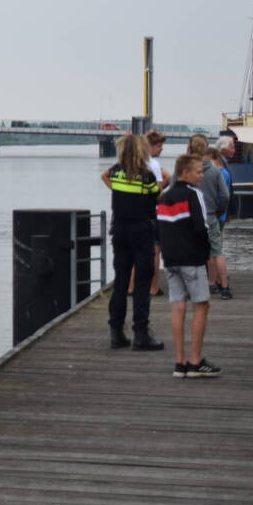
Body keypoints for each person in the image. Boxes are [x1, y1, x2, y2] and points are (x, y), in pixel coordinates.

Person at [158, 153, 219, 377]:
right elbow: (201, 228)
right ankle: (195, 361)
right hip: (192, 259)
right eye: (198, 171)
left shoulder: (164, 197)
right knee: (201, 305)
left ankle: (179, 362)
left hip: (171, 260)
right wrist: (207, 256)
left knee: (178, 307)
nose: (201, 176)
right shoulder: (194, 195)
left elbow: (161, 230)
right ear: (185, 172)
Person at [101, 134, 164, 350]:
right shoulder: (146, 176)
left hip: (119, 230)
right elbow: (158, 195)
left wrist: (118, 191)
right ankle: (141, 334)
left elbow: (105, 176)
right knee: (142, 283)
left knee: (121, 281)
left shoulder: (115, 171)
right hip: (141, 231)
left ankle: (116, 332)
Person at [187, 135, 231, 299]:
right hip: (211, 215)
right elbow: (225, 195)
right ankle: (224, 288)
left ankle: (192, 287)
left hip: (190, 217)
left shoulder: (185, 170)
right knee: (216, 252)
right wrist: (220, 210)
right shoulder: (214, 170)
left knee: (191, 251)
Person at [128, 130, 171, 297]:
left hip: (133, 210)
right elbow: (158, 190)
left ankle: (131, 286)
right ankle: (153, 287)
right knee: (155, 250)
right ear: (150, 147)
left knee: (135, 251)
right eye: (159, 146)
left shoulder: (133, 162)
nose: (161, 149)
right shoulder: (152, 164)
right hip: (151, 212)